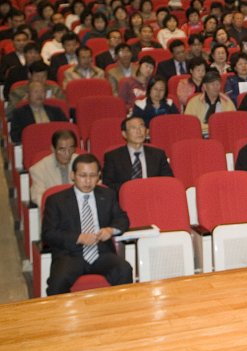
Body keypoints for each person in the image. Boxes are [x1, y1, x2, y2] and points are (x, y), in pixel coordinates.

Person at [41, 153, 133, 296]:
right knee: (57, 284)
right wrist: (78, 238)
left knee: (124, 269)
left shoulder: (107, 195)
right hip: (70, 255)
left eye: (92, 176)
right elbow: (48, 234)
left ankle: (118, 312)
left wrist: (110, 230)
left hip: (101, 252)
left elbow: (123, 219)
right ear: (73, 175)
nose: (88, 181)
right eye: (82, 175)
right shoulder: (56, 200)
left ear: (99, 176)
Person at [102, 116, 174, 194]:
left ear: (146, 131)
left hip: (153, 195)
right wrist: (133, 189)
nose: (139, 131)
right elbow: (108, 185)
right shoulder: (113, 157)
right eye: (133, 128)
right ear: (124, 134)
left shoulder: (158, 154)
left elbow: (168, 180)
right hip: (125, 198)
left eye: (141, 126)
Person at [29, 129, 78, 208]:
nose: (67, 154)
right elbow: (38, 197)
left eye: (70, 149)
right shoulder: (38, 169)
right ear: (53, 149)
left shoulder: (82, 164)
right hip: (54, 212)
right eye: (62, 150)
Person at [184, 71, 236, 135]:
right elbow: (189, 123)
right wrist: (211, 128)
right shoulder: (193, 102)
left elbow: (232, 122)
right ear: (205, 86)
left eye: (218, 84)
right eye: (212, 84)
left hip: (222, 134)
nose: (216, 87)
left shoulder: (227, 101)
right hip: (199, 135)